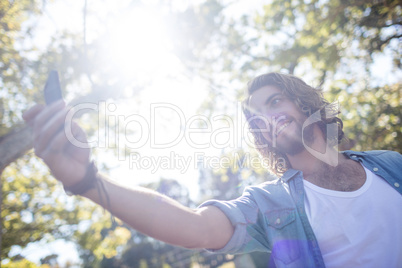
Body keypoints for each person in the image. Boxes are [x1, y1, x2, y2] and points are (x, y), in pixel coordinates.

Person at [23, 72, 402, 268]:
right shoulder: (271, 204)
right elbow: (196, 226)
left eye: (275, 101)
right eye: (257, 117)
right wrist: (88, 181)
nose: (268, 117)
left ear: (305, 103)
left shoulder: (390, 165)